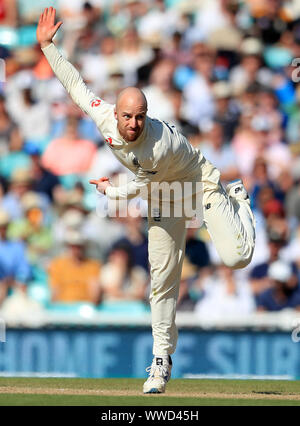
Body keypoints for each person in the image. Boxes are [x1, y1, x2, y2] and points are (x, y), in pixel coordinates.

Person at [37, 7, 256, 394]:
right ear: (117, 113)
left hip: (196, 182)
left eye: (139, 117)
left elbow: (134, 186)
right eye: (127, 117)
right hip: (162, 193)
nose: (133, 124)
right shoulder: (105, 117)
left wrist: (108, 191)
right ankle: (160, 361)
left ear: (147, 116)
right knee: (162, 281)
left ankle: (238, 197)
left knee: (238, 258)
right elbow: (76, 88)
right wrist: (48, 48)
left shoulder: (157, 144)